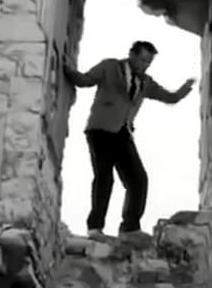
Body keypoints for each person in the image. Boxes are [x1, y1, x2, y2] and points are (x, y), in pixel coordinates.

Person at [62, 40, 195, 245]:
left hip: (123, 133)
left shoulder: (146, 82)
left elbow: (170, 97)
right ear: (132, 55)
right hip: (100, 129)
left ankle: (130, 228)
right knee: (104, 178)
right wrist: (66, 68)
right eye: (143, 60)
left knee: (138, 179)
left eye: (149, 62)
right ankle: (95, 227)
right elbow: (84, 80)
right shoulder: (109, 67)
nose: (145, 65)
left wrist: (185, 88)